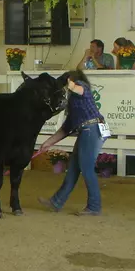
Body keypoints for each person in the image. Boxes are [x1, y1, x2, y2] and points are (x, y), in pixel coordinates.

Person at [38, 70, 107, 216]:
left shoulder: (81, 88)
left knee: (86, 168)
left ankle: (94, 206)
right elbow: (66, 128)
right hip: (90, 130)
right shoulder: (75, 102)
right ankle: (56, 202)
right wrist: (48, 143)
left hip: (90, 129)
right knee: (74, 169)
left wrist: (71, 85)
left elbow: (80, 89)